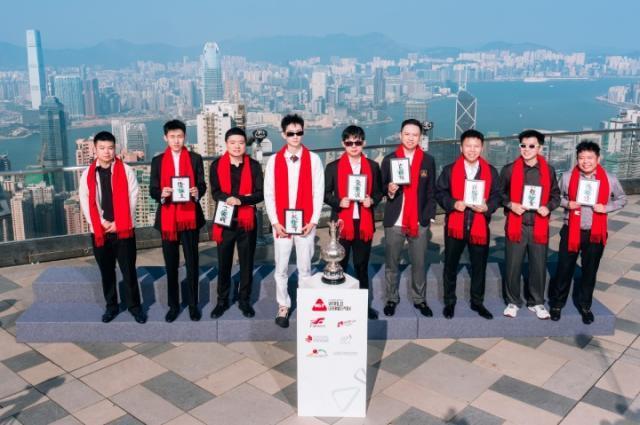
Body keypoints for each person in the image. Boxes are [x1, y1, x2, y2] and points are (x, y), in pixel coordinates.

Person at [548, 141, 626, 324]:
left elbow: (622, 199)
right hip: (571, 230)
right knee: (564, 268)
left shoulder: (610, 179)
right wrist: (568, 203)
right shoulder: (567, 177)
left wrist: (606, 207)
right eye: (581, 158)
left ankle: (585, 306)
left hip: (595, 232)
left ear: (598, 158)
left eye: (590, 158)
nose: (585, 161)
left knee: (590, 271)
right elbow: (556, 197)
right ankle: (557, 304)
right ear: (577, 159)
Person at [79, 131, 146, 324]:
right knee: (106, 272)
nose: (106, 152)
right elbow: (85, 201)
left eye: (110, 148)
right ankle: (111, 307)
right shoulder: (88, 174)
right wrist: (101, 222)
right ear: (95, 149)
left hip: (123, 229)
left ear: (114, 148)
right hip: (100, 231)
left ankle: (135, 307)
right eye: (102, 148)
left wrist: (119, 222)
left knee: (128, 270)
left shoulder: (126, 170)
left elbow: (133, 197)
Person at [264, 114, 324, 328]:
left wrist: (313, 221)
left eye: (299, 132)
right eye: (291, 133)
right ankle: (283, 305)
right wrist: (275, 222)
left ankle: (305, 303)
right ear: (283, 134)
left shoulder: (314, 160)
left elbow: (318, 193)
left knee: (305, 267)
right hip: (281, 224)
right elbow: (269, 194)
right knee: (281, 267)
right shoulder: (274, 160)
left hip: (306, 223)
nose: (295, 136)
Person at [435, 129, 501, 320]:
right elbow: (439, 192)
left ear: (482, 147)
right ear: (461, 147)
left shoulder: (490, 171)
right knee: (450, 265)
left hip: (479, 226)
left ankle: (477, 302)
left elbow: (497, 195)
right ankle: (449, 301)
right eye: (468, 146)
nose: (472, 150)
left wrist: (487, 207)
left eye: (476, 146)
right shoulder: (449, 170)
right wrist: (453, 203)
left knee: (479, 266)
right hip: (455, 226)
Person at [499, 130, 560, 319]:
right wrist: (511, 205)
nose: (526, 149)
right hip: (516, 224)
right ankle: (513, 301)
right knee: (513, 265)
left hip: (539, 225)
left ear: (540, 148)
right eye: (523, 145)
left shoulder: (548, 170)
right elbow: (499, 193)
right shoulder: (509, 169)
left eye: (531, 146)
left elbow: (556, 196)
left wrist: (548, 207)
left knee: (538, 266)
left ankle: (537, 302)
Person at [150, 120, 207, 322]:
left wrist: (197, 191)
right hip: (167, 218)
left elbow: (202, 184)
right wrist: (161, 193)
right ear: (165, 138)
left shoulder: (195, 158)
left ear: (185, 137)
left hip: (189, 216)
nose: (176, 140)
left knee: (192, 262)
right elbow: (153, 189)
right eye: (172, 137)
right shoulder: (157, 161)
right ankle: (173, 306)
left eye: (180, 136)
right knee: (171, 264)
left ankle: (193, 305)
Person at [324, 125, 383, 320]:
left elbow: (379, 192)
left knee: (361, 266)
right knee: (338, 266)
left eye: (357, 142)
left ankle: (362, 307)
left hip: (364, 224)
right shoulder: (333, 167)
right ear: (343, 144)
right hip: (341, 224)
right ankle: (338, 305)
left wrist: (371, 200)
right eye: (349, 143)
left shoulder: (372, 166)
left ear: (363, 143)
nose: (354, 146)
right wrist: (338, 201)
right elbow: (325, 194)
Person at [380, 119, 437, 317]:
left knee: (419, 263)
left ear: (420, 137)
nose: (411, 138)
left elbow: (431, 191)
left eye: (415, 135)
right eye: (407, 134)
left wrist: (428, 217)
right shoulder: (390, 159)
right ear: (400, 135)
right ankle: (391, 298)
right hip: (395, 220)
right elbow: (381, 187)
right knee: (391, 263)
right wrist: (389, 189)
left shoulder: (428, 161)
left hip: (418, 221)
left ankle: (419, 299)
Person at [209, 127, 264, 318]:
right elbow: (215, 192)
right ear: (226, 144)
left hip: (246, 222)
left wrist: (241, 200)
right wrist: (231, 198)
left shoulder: (254, 166)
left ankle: (244, 300)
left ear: (245, 145)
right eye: (232, 143)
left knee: (246, 263)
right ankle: (222, 301)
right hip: (224, 220)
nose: (237, 146)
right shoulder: (216, 165)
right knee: (224, 262)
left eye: (240, 143)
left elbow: (260, 194)